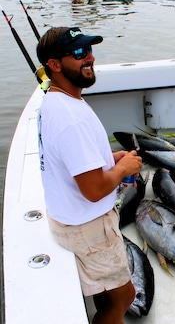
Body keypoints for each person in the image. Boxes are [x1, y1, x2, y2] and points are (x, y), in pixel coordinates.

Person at [36, 27, 143, 324]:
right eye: (80, 53)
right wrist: (122, 169)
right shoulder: (69, 117)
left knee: (106, 293)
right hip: (90, 229)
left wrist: (108, 160)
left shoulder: (58, 102)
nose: (90, 59)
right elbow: (94, 190)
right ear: (54, 65)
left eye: (90, 50)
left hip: (76, 222)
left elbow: (69, 162)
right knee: (124, 297)